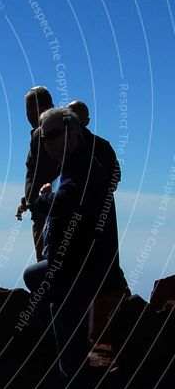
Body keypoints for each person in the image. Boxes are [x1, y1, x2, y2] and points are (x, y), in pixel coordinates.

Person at [22, 107, 111, 389]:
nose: (47, 143)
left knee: (71, 362)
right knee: (33, 277)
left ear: (73, 132)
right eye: (43, 138)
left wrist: (44, 199)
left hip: (72, 271)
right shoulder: (78, 163)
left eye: (54, 135)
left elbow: (70, 202)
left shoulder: (83, 165)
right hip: (69, 266)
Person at [67, 100, 128, 293]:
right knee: (102, 256)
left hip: (90, 210)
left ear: (87, 120)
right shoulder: (97, 145)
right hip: (100, 209)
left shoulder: (94, 146)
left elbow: (115, 174)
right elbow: (116, 175)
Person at [17, 86, 60, 260]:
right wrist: (25, 201)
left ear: (33, 109)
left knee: (45, 259)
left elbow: (39, 173)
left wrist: (32, 201)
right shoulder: (60, 130)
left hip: (44, 210)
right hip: (51, 205)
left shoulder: (41, 134)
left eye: (27, 109)